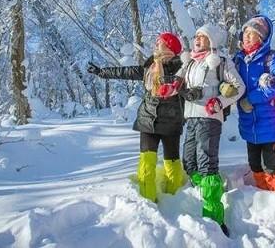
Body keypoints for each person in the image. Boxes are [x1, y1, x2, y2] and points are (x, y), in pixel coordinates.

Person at [159, 24, 244, 237]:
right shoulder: (190, 62)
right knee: (189, 161)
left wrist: (219, 101)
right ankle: (206, 190)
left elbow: (239, 87)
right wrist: (168, 88)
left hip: (209, 117)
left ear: (212, 40)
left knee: (206, 162)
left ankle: (214, 216)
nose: (197, 39)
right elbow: (177, 83)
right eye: (196, 35)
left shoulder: (220, 62)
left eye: (202, 36)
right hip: (192, 116)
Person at [87, 32, 186, 202]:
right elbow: (125, 71)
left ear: (170, 47)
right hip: (148, 121)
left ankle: (174, 202)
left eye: (160, 42)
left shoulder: (182, 68)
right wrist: (101, 72)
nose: (156, 45)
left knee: (172, 165)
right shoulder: (150, 68)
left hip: (171, 123)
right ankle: (148, 203)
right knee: (146, 164)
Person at [233, 15, 275, 192]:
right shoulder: (238, 60)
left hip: (271, 123)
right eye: (246, 32)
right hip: (249, 123)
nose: (247, 36)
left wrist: (251, 99)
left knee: (270, 164)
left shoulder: (272, 57)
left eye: (253, 33)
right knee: (255, 164)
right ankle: (263, 193)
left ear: (262, 38)